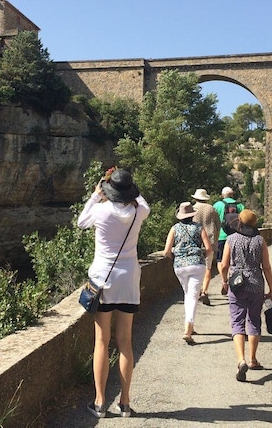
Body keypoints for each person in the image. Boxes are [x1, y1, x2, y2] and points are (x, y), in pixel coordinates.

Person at [78, 168, 151, 417]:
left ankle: (100, 402)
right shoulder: (138, 212)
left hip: (103, 281)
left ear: (109, 191)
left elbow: (81, 222)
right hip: (129, 281)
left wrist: (96, 193)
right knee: (125, 343)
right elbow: (143, 202)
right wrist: (132, 188)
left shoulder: (100, 210)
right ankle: (126, 402)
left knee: (101, 342)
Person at [219, 209, 272, 382]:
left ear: (240, 222)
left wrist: (224, 281)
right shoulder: (260, 240)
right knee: (254, 320)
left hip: (237, 284)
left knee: (237, 321)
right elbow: (266, 266)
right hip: (256, 284)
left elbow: (224, 265)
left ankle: (240, 359)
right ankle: (252, 359)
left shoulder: (231, 239)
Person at [163, 202, 213, 344]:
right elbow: (208, 248)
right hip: (197, 265)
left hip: (179, 266)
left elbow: (167, 251)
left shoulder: (174, 228)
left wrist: (177, 258)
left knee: (188, 295)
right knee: (192, 296)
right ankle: (187, 330)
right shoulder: (199, 227)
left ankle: (190, 325)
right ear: (192, 215)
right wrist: (200, 257)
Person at [190, 188, 220, 306]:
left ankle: (195, 292)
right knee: (207, 268)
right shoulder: (212, 209)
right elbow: (218, 225)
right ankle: (204, 291)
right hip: (210, 242)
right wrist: (215, 241)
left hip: (196, 242)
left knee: (195, 268)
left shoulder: (192, 209)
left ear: (196, 198)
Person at [213, 186, 244, 291]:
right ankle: (234, 280)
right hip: (236, 237)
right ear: (232, 194)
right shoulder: (240, 206)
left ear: (223, 195)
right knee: (235, 261)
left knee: (220, 260)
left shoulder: (217, 205)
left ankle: (224, 280)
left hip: (221, 236)